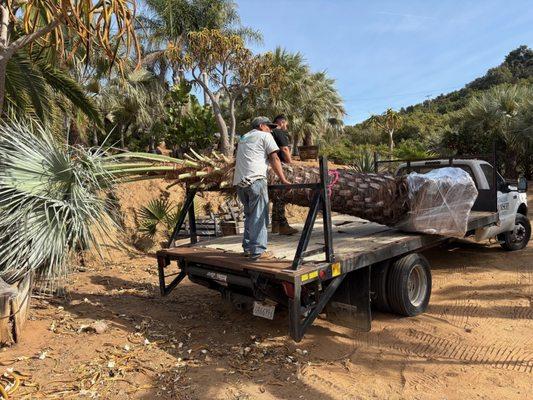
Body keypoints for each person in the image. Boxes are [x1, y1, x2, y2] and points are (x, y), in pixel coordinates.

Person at [233, 116, 291, 260]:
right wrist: (283, 179)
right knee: (259, 216)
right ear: (261, 126)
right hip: (256, 181)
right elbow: (274, 158)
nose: (270, 130)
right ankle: (258, 251)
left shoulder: (243, 138)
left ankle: (248, 248)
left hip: (240, 183)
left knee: (249, 215)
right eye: (269, 127)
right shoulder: (265, 136)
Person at [271, 115, 298, 235]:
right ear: (281, 122)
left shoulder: (270, 132)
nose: (286, 126)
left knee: (276, 196)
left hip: (269, 167)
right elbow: (285, 149)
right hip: (279, 166)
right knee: (281, 195)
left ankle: (275, 225)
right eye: (286, 124)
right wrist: (291, 164)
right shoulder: (278, 132)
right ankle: (282, 225)